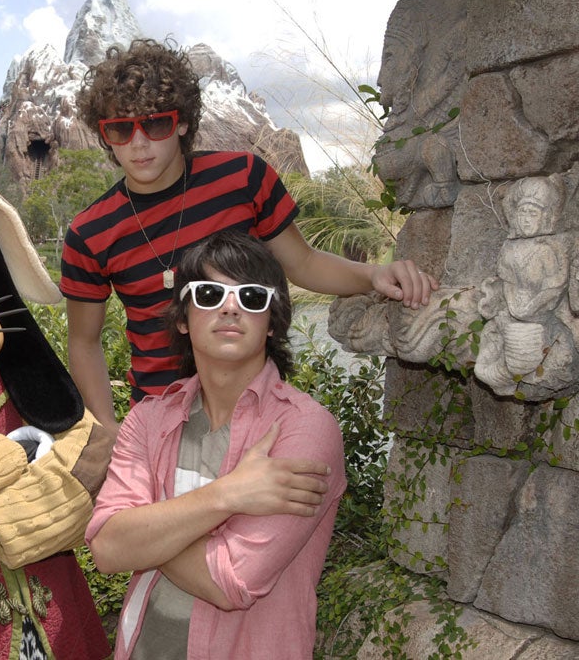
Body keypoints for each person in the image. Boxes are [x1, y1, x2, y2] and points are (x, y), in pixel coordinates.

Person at [60, 37, 439, 429]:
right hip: (160, 423)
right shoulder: (91, 233)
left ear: (183, 121)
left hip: (255, 409)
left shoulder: (242, 179)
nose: (139, 143)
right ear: (104, 135)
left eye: (156, 123)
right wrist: (106, 430)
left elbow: (304, 263)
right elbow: (84, 342)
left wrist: (373, 277)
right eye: (121, 130)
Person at [86, 229, 346, 659]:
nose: (230, 307)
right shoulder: (149, 420)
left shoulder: (304, 429)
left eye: (251, 297)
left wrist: (145, 531)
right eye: (208, 293)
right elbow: (107, 549)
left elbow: (232, 582)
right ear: (183, 319)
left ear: (272, 322)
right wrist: (230, 493)